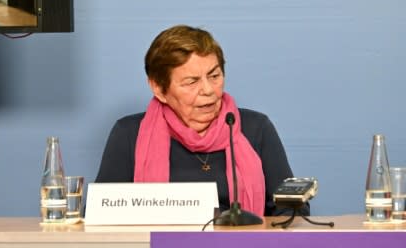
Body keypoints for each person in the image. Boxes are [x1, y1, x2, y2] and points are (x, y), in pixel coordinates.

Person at [95, 25, 298, 217]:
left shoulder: (255, 128)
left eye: (214, 76)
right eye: (191, 82)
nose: (208, 90)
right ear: (158, 88)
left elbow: (291, 209)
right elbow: (100, 214)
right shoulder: (129, 134)